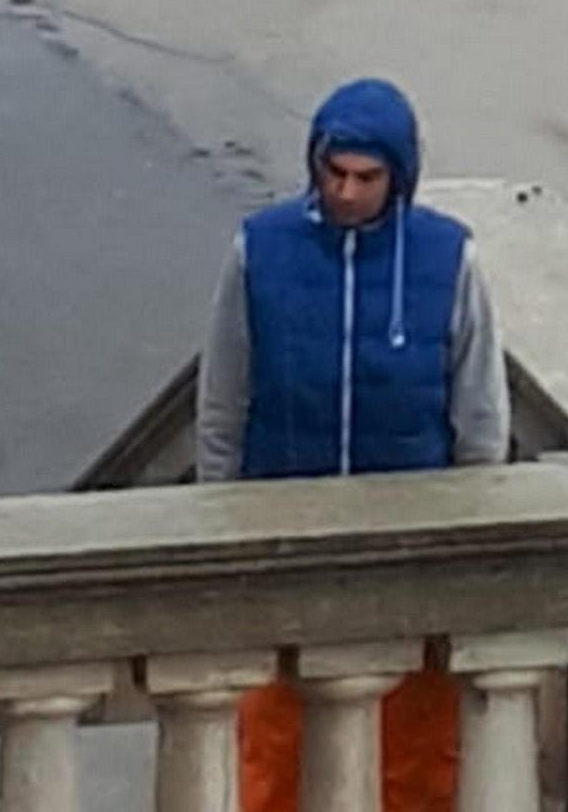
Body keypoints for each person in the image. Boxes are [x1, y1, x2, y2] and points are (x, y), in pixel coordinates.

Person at [196, 78, 509, 812]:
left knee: (414, 755)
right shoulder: (260, 251)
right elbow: (222, 401)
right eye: (334, 172)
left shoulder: (449, 260)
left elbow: (481, 419)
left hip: (411, 552)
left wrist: (471, 538)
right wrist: (220, 521)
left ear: (398, 176)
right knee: (269, 750)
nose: (346, 191)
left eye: (366, 177)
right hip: (284, 537)